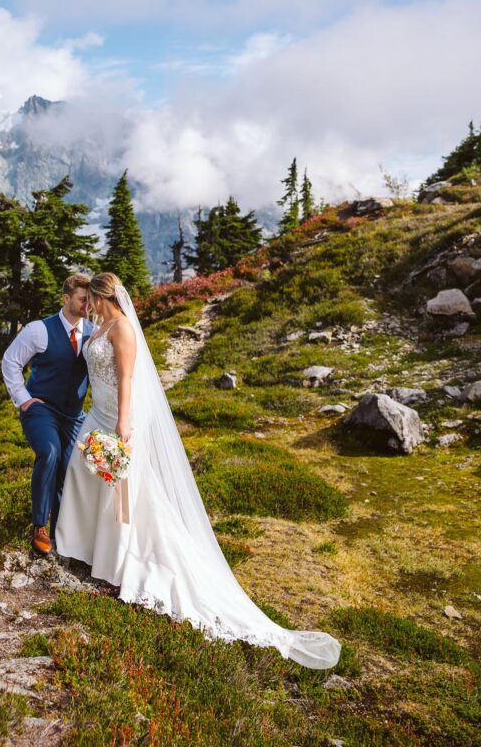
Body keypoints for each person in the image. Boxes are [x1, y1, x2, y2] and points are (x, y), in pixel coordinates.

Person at [56, 271, 342, 670]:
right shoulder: (99, 325)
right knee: (82, 474)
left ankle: (116, 560)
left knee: (119, 491)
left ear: (104, 298)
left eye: (91, 299)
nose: (85, 304)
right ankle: (80, 544)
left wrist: (123, 425)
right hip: (96, 413)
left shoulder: (122, 328)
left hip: (116, 416)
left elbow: (126, 379)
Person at [1, 273, 94, 556]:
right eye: (81, 299)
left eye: (89, 300)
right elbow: (10, 362)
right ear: (66, 298)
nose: (86, 305)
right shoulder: (38, 330)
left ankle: (60, 531)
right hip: (41, 409)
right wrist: (24, 400)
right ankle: (39, 526)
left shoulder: (92, 331)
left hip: (74, 414)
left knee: (70, 467)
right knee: (50, 452)